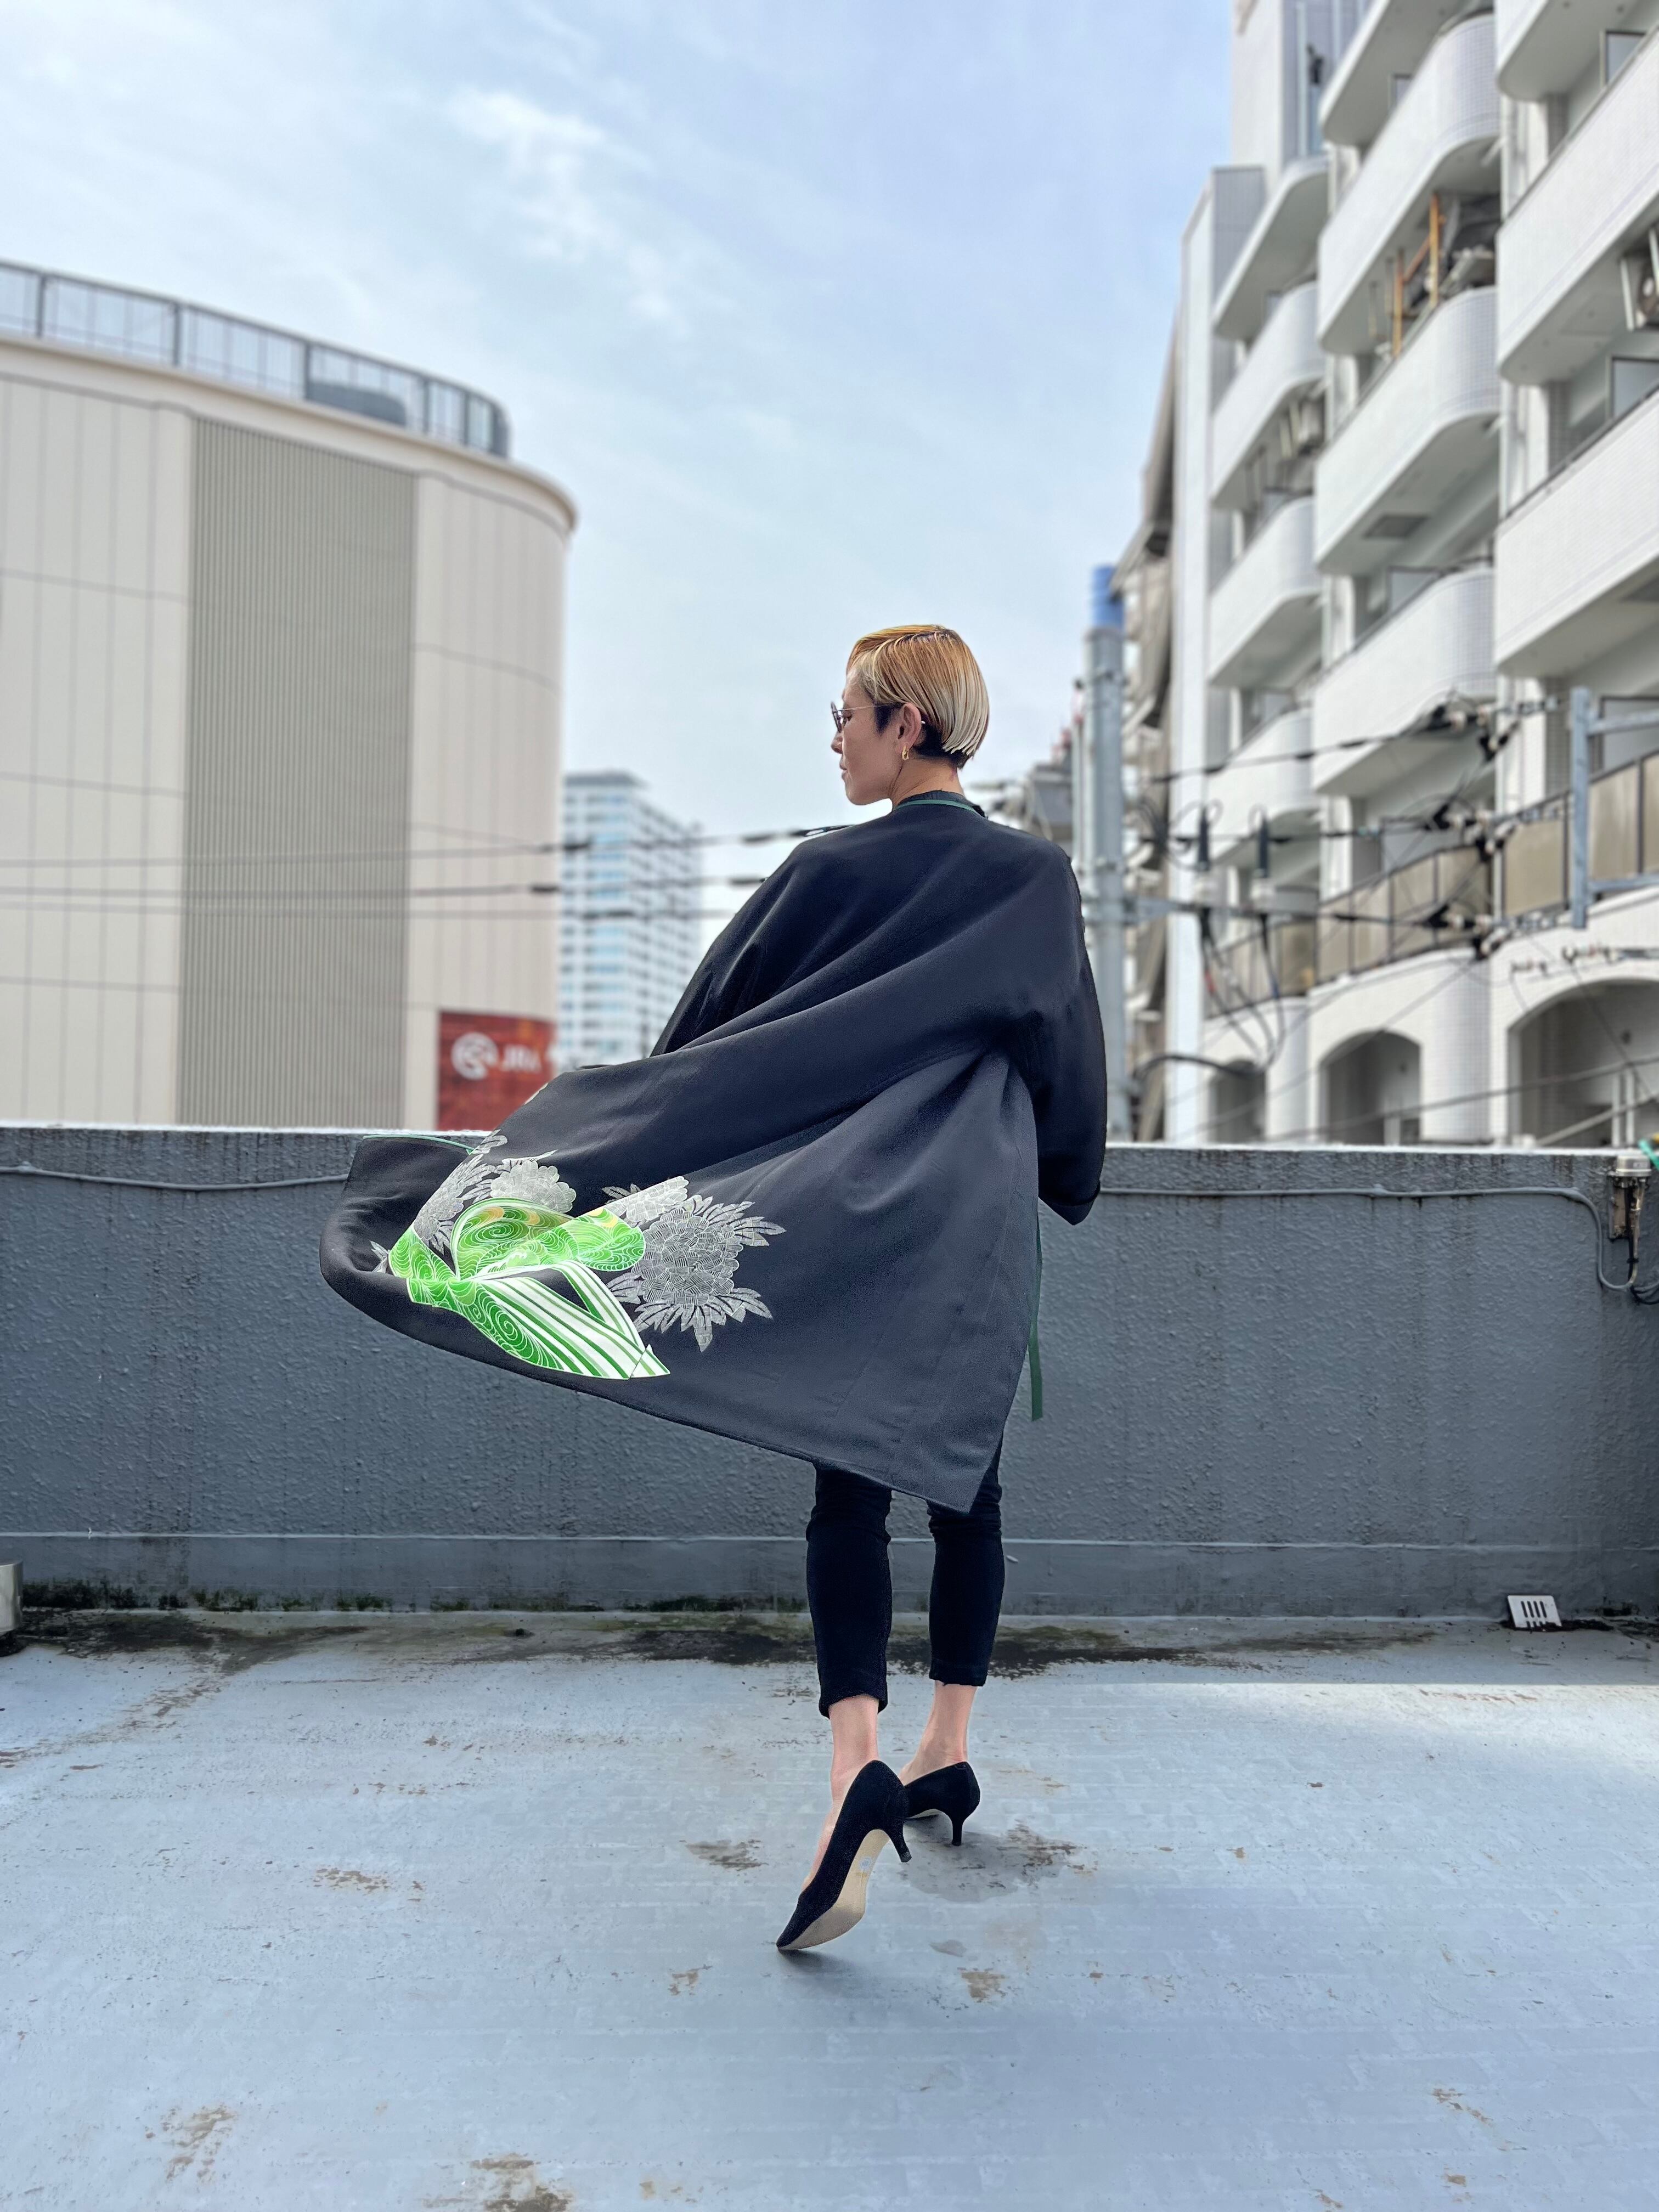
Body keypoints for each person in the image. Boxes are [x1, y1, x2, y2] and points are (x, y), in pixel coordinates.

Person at [319, 623, 1104, 1956]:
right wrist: (1056, 1175)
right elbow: (1067, 1072)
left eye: (850, 713)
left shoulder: (822, 873)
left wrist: (637, 1153)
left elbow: (706, 1041)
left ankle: (857, 1764)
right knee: (965, 1483)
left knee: (849, 1483)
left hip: (842, 1214)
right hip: (973, 1219)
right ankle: (948, 1750)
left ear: (909, 725)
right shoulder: (1036, 879)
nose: (836, 736)